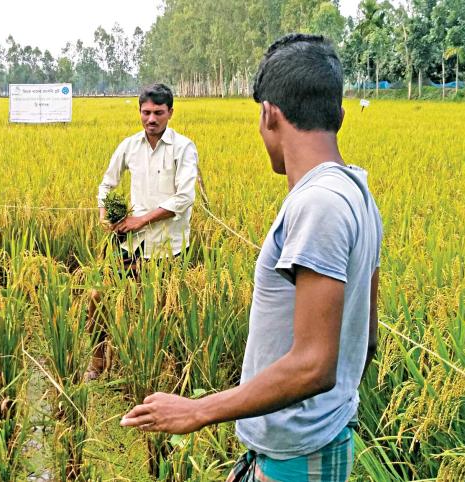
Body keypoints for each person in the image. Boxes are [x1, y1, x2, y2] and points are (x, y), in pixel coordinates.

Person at [120, 34, 383, 482]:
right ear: (338, 114)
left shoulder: (318, 205)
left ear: (269, 114)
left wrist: (197, 410)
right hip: (299, 449)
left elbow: (314, 365)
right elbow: (367, 340)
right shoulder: (357, 191)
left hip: (301, 459)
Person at [86, 83, 199, 381]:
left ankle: (158, 367)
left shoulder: (183, 148)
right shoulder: (129, 146)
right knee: (98, 297)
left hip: (168, 248)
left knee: (160, 310)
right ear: (139, 112)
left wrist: (142, 220)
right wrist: (104, 213)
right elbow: (107, 183)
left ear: (170, 113)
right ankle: (98, 361)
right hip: (129, 245)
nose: (152, 119)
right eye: (146, 112)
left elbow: (185, 197)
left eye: (158, 113)